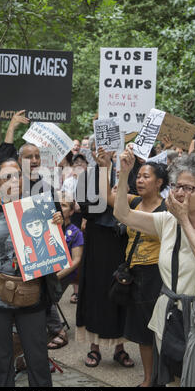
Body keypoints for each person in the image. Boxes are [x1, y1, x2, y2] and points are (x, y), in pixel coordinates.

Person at [0, 158, 63, 387]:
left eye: (18, 175)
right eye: (7, 177)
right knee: (0, 358)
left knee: (37, 357)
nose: (15, 181)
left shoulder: (39, 208)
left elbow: (53, 248)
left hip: (32, 294)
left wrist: (58, 223)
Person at [114, 147, 195, 386]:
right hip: (170, 315)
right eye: (178, 187)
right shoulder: (167, 220)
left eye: (190, 188)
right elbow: (122, 213)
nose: (181, 193)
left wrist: (184, 220)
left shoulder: (177, 220)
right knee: (173, 377)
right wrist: (124, 174)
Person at [98, 146, 169, 387]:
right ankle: (148, 379)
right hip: (134, 272)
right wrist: (109, 168)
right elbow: (107, 197)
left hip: (157, 274)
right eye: (138, 176)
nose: (140, 180)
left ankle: (165, 376)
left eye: (145, 176)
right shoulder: (134, 201)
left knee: (160, 330)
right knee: (142, 330)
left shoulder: (168, 209)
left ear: (159, 182)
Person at [75, 136, 134, 369]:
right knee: (96, 290)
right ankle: (94, 348)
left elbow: (136, 203)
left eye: (109, 148)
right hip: (98, 241)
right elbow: (89, 211)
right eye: (99, 149)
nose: (105, 152)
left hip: (123, 240)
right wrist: (103, 178)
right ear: (93, 153)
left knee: (122, 288)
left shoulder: (127, 173)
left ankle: (120, 348)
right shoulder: (87, 176)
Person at [47, 194, 84, 349]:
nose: (60, 208)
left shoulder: (76, 233)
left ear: (71, 211)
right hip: (48, 271)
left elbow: (76, 261)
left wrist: (57, 276)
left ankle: (58, 331)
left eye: (64, 205)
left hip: (65, 273)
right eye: (58, 205)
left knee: (44, 296)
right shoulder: (48, 227)